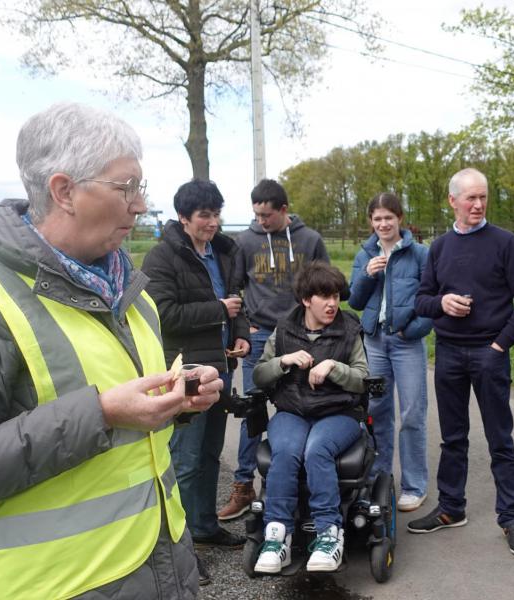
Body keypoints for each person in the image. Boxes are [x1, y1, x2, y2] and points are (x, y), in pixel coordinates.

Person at [0, 103, 222, 599]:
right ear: (64, 191)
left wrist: (174, 399)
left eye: (141, 188)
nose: (140, 205)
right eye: (127, 187)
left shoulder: (128, 289)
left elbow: (130, 427)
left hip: (161, 571)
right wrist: (101, 413)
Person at [410, 167, 514, 559]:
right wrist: (442, 304)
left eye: (483, 197)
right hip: (449, 353)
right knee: (453, 437)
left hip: (490, 353)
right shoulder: (439, 247)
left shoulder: (505, 243)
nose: (478, 205)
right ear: (453, 201)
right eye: (470, 198)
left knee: (500, 438)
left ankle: (511, 518)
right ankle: (452, 508)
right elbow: (422, 300)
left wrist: (500, 345)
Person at [141, 179, 250, 553]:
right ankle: (180, 548)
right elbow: (163, 316)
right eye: (205, 215)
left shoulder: (224, 253)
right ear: (183, 217)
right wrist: (219, 310)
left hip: (221, 370)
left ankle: (204, 527)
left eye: (217, 214)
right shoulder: (162, 257)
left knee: (208, 454)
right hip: (186, 375)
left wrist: (239, 332)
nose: (213, 222)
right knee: (185, 461)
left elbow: (236, 301)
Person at [218, 178, 330, 521]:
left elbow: (326, 284)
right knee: (253, 410)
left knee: (305, 403)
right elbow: (235, 286)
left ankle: (305, 480)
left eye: (267, 215)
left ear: (283, 210)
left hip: (302, 333)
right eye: (257, 215)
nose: (261, 221)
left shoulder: (309, 240)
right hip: (260, 334)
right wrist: (244, 326)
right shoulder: (246, 241)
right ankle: (243, 485)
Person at [250, 262, 369, 574]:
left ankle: (329, 533)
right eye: (324, 297)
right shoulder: (283, 330)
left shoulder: (349, 330)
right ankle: (278, 535)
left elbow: (362, 380)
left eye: (336, 297)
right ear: (306, 299)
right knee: (287, 452)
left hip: (338, 413)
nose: (332, 304)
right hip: (292, 411)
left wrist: (333, 366)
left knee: (317, 449)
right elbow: (260, 376)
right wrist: (283, 361)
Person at [348, 192, 433, 512]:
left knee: (412, 413)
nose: (383, 223)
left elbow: (431, 300)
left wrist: (412, 329)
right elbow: (354, 301)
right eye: (377, 218)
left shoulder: (420, 254)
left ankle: (414, 485)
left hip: (407, 343)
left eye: (389, 217)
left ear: (400, 218)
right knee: (377, 412)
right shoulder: (365, 253)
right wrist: (367, 275)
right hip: (375, 343)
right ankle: (378, 480)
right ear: (370, 221)